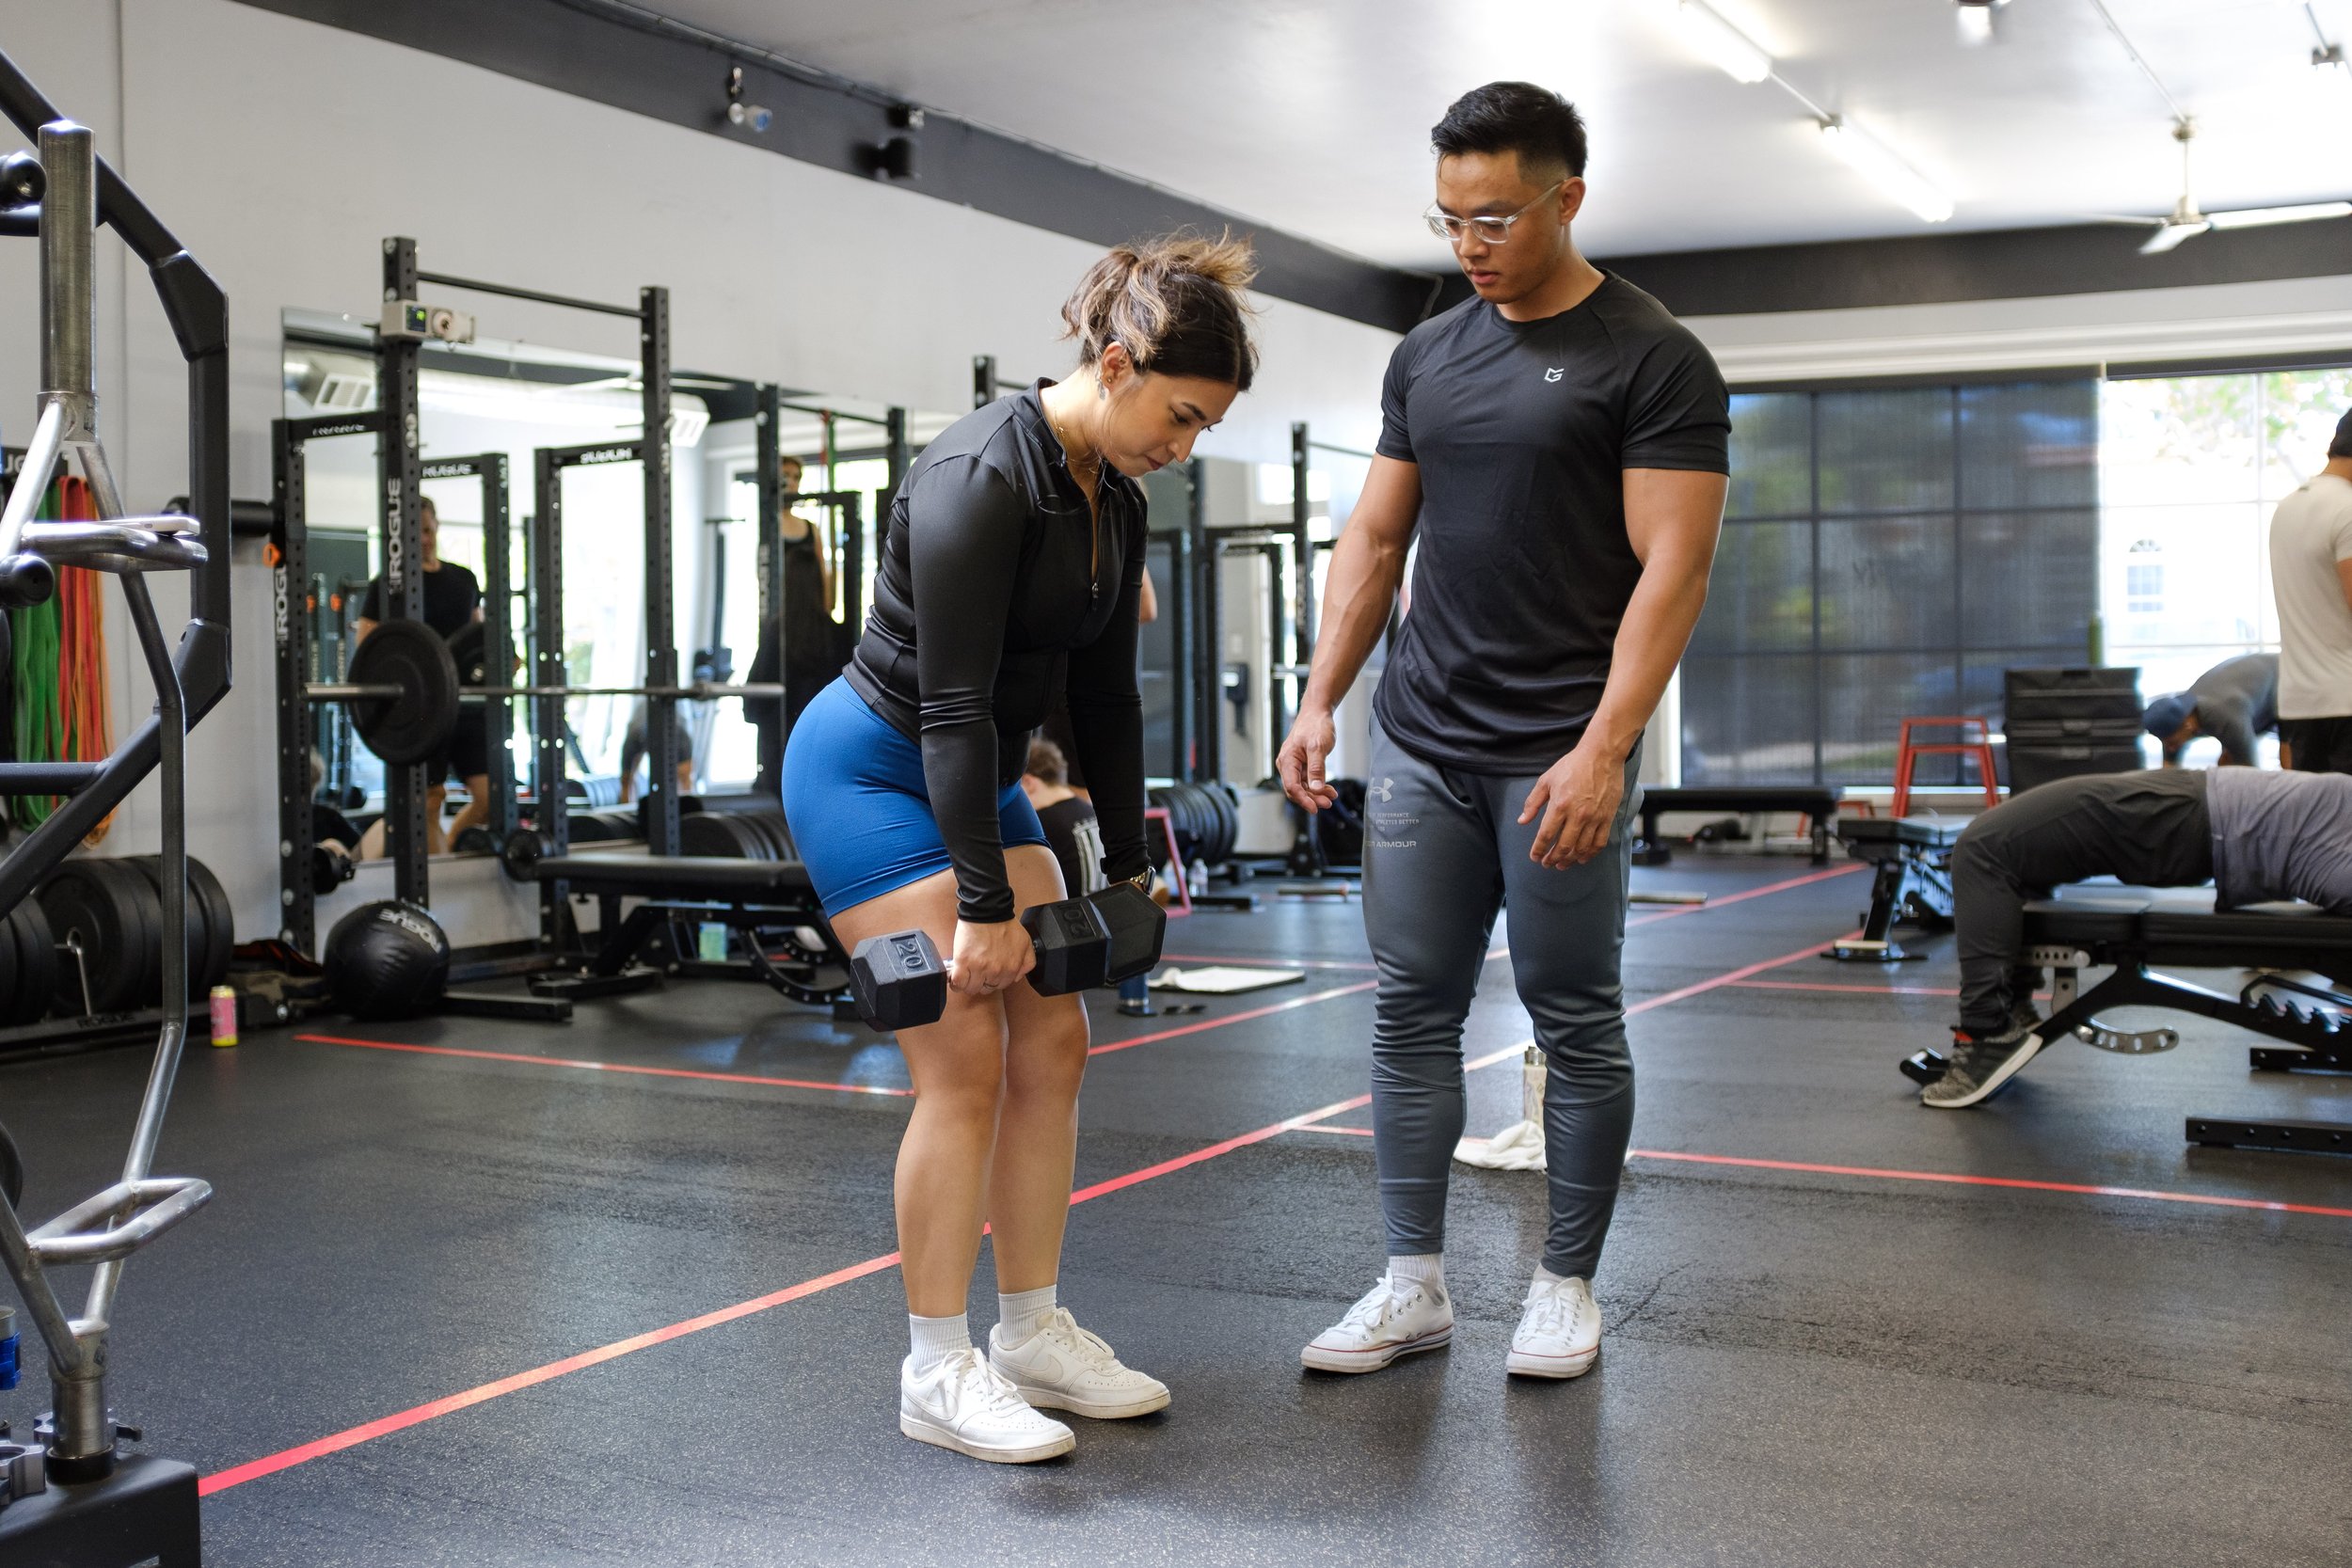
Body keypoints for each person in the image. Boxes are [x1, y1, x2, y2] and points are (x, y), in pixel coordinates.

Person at [1277, 83, 1728, 1383]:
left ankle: (1565, 1283)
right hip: (1423, 737)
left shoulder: (1652, 356)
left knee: (1573, 1014)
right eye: (1448, 217)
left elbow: (1674, 569)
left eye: (1492, 217)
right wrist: (1322, 698)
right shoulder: (1427, 353)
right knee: (1409, 1008)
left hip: (1558, 746)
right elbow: (1374, 537)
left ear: (1565, 198)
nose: (1468, 243)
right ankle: (1410, 1281)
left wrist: (1605, 745)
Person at [780, 235, 1255, 1464]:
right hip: (872, 771)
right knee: (965, 1060)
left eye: (1206, 425)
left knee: (1057, 1036)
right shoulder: (979, 477)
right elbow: (948, 707)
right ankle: (936, 1364)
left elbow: (1105, 706)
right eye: (1181, 414)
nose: (1184, 443)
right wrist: (985, 908)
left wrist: (1131, 865)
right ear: (1114, 363)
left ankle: (1032, 1329)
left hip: (976, 772)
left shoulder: (1118, 497)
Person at [1923, 767, 2352, 1108]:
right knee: (1995, 847)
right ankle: (2001, 1015)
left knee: (1984, 848)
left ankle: (1987, 1032)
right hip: (2183, 810)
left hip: (2183, 813)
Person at [352, 497, 486, 856]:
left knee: (491, 798)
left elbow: (479, 637)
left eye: (427, 530)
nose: (423, 539)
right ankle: (439, 871)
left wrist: (503, 660)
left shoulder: (464, 579)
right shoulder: (389, 584)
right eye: (415, 532)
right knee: (430, 800)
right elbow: (368, 646)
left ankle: (455, 843)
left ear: (437, 526)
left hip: (466, 704)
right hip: (423, 710)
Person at [1022, 736, 1155, 1017]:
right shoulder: (1089, 811)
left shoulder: (1041, 824)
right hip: (1105, 932)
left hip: (1068, 941)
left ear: (1029, 783)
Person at [747, 454, 839, 792]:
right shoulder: (768, 524)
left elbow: (824, 576)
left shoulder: (810, 529)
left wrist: (823, 613)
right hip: (781, 627)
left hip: (810, 627)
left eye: (795, 475)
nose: (790, 481)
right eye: (783, 475)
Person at [2269, 409, 2352, 775]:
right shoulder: (2347, 509)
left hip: (2299, 703)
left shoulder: (2288, 507)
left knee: (2315, 828)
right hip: (2346, 703)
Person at [1034, 565, 1156, 798]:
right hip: (1062, 684)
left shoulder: (1110, 541)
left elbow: (1146, 609)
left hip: (1088, 688)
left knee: (1087, 784)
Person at [2142, 651, 2278, 767]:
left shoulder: (2224, 716)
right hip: (2243, 693)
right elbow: (2168, 772)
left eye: (2172, 743)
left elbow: (2251, 773)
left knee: (2287, 756)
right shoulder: (2178, 722)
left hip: (2281, 680)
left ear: (2187, 725)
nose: (2170, 748)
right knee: (2227, 765)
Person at [618, 701, 694, 803]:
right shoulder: (635, 736)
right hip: (640, 731)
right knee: (626, 781)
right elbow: (626, 781)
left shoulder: (681, 738)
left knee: (684, 778)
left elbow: (686, 783)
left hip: (677, 732)